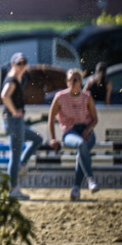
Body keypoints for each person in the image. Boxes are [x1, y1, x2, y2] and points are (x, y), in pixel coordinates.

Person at [48, 68, 100, 201]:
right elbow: (51, 118)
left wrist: (87, 131)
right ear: (66, 82)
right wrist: (53, 138)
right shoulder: (60, 97)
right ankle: (90, 179)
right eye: (70, 79)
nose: (72, 81)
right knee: (81, 145)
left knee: (81, 154)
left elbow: (95, 119)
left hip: (86, 130)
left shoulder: (87, 96)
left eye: (75, 79)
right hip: (70, 131)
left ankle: (76, 189)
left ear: (80, 82)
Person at [0, 52, 43, 200]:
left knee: (38, 139)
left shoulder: (17, 78)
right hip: (14, 121)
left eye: (24, 63)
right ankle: (13, 188)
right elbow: (4, 96)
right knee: (15, 154)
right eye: (19, 63)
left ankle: (21, 166)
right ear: (13, 65)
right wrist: (14, 112)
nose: (22, 66)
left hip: (14, 121)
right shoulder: (12, 80)